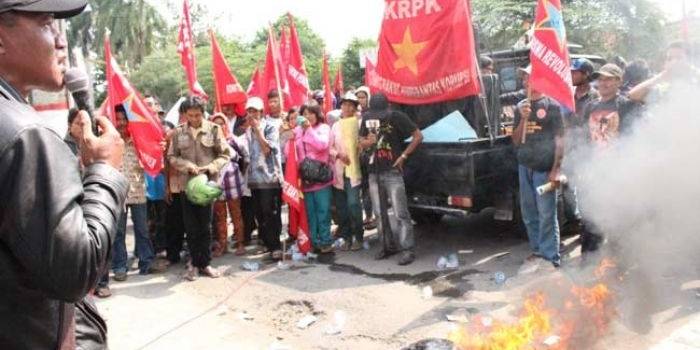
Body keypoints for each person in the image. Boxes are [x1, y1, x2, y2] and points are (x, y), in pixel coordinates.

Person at [0, 1, 128, 348]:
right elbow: (75, 271)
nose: (61, 40)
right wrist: (104, 171)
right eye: (45, 24)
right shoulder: (25, 135)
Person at [167, 96, 231, 280]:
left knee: (205, 226)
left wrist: (211, 167)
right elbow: (172, 156)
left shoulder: (214, 129)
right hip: (187, 186)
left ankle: (206, 264)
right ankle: (194, 264)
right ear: (185, 114)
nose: (194, 119)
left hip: (207, 186)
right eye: (190, 115)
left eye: (197, 115)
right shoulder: (178, 133)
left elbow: (225, 154)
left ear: (203, 113)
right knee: (191, 227)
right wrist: (186, 165)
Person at [359, 93, 423, 265]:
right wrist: (368, 141)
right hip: (374, 172)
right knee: (379, 214)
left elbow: (418, 136)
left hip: (392, 171)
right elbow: (360, 142)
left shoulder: (396, 116)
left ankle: (407, 250)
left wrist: (403, 156)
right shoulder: (366, 117)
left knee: (400, 213)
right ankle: (387, 246)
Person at [511, 79, 565, 268]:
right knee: (529, 213)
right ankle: (537, 250)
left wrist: (556, 169)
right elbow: (516, 140)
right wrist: (523, 118)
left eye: (531, 78)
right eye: (525, 79)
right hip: (524, 167)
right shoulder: (522, 107)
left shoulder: (552, 106)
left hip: (544, 170)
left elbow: (560, 140)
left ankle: (551, 257)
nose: (528, 82)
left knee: (546, 214)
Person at [112, 105, 164, 280]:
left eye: (123, 119)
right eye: (117, 119)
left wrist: (160, 147)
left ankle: (146, 262)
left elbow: (154, 154)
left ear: (129, 121)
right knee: (118, 232)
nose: (120, 123)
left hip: (138, 191)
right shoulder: (110, 141)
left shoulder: (139, 140)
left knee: (142, 229)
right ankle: (120, 266)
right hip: (117, 194)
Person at [245, 96, 284, 259]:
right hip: (254, 179)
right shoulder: (247, 130)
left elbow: (268, 149)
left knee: (271, 212)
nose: (252, 114)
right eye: (249, 111)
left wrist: (258, 131)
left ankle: (276, 246)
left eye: (254, 111)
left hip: (270, 178)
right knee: (259, 213)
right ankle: (267, 244)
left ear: (261, 112)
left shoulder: (270, 127)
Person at [295, 104, 334, 252]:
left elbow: (322, 145)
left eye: (311, 113)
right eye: (305, 113)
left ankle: (325, 241)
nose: (308, 116)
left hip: (321, 178)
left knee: (323, 211)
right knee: (310, 213)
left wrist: (308, 130)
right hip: (305, 179)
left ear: (318, 115)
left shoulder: (324, 128)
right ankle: (313, 241)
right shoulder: (297, 131)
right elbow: (290, 152)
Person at [210, 113, 249, 256]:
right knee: (220, 216)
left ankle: (240, 243)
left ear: (226, 124)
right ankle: (222, 244)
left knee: (236, 214)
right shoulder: (208, 142)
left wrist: (240, 172)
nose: (219, 126)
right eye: (216, 124)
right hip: (217, 182)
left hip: (233, 181)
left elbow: (245, 157)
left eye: (222, 123)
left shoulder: (233, 140)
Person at [330, 92, 364, 251]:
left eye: (351, 104)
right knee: (342, 208)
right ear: (341, 106)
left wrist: (360, 147)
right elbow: (329, 147)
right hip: (338, 171)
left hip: (353, 170)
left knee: (353, 204)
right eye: (345, 104)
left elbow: (364, 143)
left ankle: (359, 236)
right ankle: (347, 237)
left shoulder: (359, 123)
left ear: (355, 108)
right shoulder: (335, 126)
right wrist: (338, 154)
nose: (347, 107)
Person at [629, 41, 700, 104]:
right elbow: (633, 95)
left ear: (689, 61)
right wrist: (662, 75)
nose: (674, 62)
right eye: (670, 58)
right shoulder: (662, 89)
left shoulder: (696, 83)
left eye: (679, 58)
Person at [355, 86, 376, 230]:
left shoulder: (372, 114)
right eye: (359, 97)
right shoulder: (356, 115)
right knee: (363, 187)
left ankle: (372, 216)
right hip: (359, 156)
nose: (361, 100)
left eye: (363, 97)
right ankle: (368, 215)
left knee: (370, 187)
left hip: (371, 154)